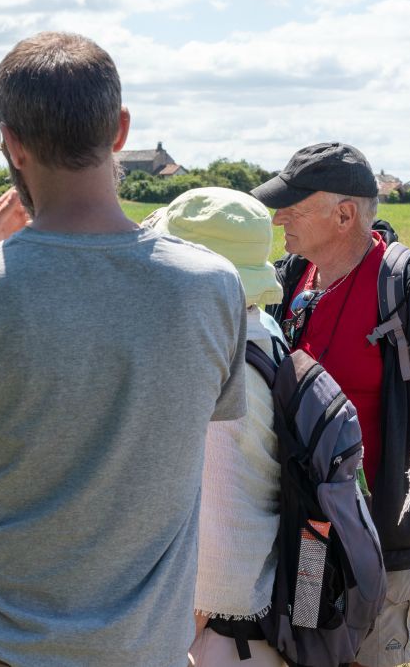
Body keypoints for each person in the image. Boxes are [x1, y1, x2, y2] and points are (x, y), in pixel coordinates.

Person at [0, 31, 249, 667]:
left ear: (11, 141)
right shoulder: (212, 286)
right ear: (120, 130)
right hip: (141, 645)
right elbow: (194, 427)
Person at [253, 142, 410, 667]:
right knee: (313, 649)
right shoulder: (288, 279)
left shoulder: (406, 288)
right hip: (308, 534)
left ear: (344, 214)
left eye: (294, 207)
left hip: (379, 547)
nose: (279, 219)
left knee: (375, 659)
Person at [142, 187, 287, 666]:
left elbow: (220, 511)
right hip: (261, 614)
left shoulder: (214, 359)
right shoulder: (264, 331)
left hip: (222, 632)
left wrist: (186, 633)